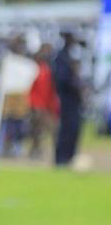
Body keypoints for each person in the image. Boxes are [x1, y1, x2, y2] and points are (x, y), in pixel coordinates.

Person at [53, 30, 85, 166]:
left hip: (75, 100)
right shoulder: (61, 57)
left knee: (75, 128)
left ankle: (70, 156)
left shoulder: (72, 55)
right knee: (67, 128)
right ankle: (61, 158)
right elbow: (62, 79)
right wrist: (75, 85)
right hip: (66, 99)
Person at [28, 43, 59, 159]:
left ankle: (56, 151)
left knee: (52, 128)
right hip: (37, 104)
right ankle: (35, 150)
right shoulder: (36, 69)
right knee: (37, 128)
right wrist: (34, 105)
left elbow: (51, 90)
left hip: (47, 105)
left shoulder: (48, 69)